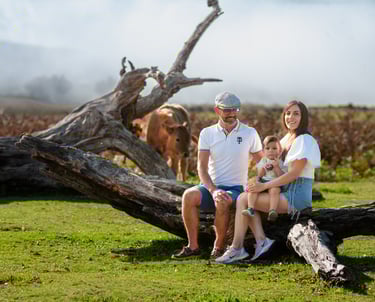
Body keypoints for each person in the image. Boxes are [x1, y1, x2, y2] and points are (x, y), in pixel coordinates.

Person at [216, 100, 321, 264]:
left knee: (243, 199)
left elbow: (294, 174)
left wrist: (264, 186)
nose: (290, 117)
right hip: (284, 191)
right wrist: (257, 181)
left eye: (296, 113)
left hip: (296, 196)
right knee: (248, 196)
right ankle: (259, 242)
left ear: (303, 117)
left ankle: (238, 248)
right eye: (287, 113)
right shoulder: (286, 139)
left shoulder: (304, 140)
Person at [171, 92, 263, 260]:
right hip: (210, 186)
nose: (231, 113)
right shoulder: (207, 133)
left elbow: (262, 163)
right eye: (226, 110)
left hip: (236, 189)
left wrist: (263, 181)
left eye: (234, 109)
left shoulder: (250, 133)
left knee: (223, 200)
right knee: (188, 195)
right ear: (217, 110)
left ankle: (218, 247)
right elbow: (202, 167)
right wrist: (212, 190)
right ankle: (193, 247)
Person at [242, 135, 286, 222]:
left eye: (274, 148)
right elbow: (260, 175)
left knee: (275, 191)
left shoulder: (280, 162)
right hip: (263, 181)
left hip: (275, 182)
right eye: (267, 148)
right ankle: (250, 208)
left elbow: (282, 176)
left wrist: (276, 167)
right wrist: (263, 168)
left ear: (279, 151)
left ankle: (272, 210)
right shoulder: (263, 160)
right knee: (253, 189)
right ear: (264, 151)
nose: (271, 151)